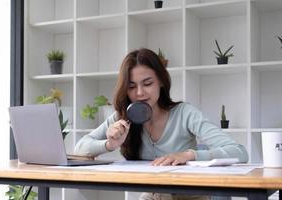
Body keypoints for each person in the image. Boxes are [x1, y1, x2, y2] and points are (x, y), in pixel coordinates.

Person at [74, 48, 248, 200]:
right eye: (132, 86)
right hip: (153, 196)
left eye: (147, 83)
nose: (140, 93)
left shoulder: (184, 113)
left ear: (162, 81)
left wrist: (189, 155)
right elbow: (80, 148)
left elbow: (239, 152)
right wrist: (109, 144)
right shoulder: (123, 118)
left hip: (192, 196)